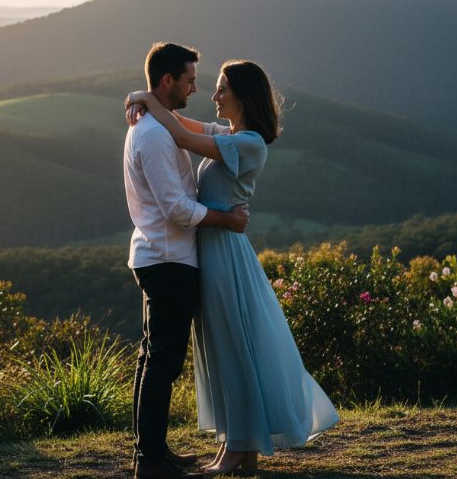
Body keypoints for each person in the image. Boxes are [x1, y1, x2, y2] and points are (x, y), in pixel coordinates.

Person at [126, 60, 339, 476]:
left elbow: (182, 135)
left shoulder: (249, 143)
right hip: (211, 250)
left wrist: (148, 100)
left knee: (234, 349)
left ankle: (242, 447)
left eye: (222, 88)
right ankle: (238, 447)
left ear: (242, 95)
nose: (214, 95)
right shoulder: (229, 135)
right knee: (223, 350)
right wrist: (144, 99)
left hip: (224, 254)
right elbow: (182, 121)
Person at [124, 42, 251, 479]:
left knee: (154, 358)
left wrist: (143, 99)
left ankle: (152, 453)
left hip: (163, 255)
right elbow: (178, 209)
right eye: (190, 80)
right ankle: (151, 462)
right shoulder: (155, 136)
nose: (195, 88)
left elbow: (198, 130)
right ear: (167, 81)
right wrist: (227, 218)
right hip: (167, 258)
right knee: (161, 361)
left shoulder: (157, 125)